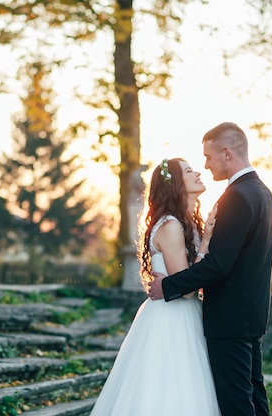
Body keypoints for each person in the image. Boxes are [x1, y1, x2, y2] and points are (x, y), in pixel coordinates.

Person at [148, 122, 272, 416]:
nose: (205, 166)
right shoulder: (262, 192)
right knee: (255, 397)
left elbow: (219, 265)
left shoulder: (236, 197)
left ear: (227, 153)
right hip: (251, 316)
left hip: (229, 320)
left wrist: (167, 286)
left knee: (236, 403)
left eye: (208, 157)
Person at [89, 157, 220, 416]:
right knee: (170, 388)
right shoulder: (171, 226)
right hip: (172, 318)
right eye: (188, 171)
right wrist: (205, 243)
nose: (197, 173)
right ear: (175, 185)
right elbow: (187, 289)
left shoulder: (186, 222)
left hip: (186, 314)